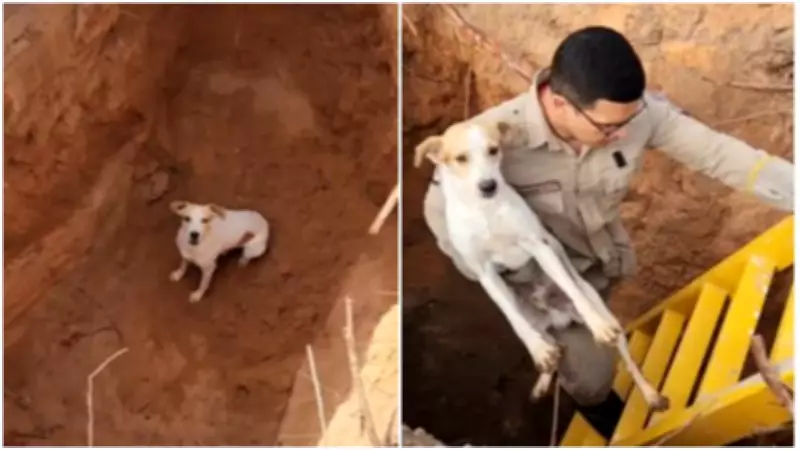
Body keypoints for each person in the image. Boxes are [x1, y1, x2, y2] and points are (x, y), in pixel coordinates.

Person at [421, 25, 794, 432]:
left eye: (630, 120)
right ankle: (612, 422)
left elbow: (721, 155)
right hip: (541, 285)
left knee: (613, 330)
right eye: (607, 128)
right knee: (593, 375)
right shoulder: (488, 143)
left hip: (603, 262)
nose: (622, 133)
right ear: (560, 104)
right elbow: (451, 226)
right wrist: (518, 271)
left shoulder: (630, 115)